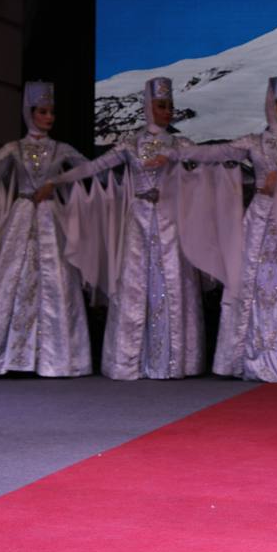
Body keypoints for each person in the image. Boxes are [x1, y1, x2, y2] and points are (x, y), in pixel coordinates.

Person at [40, 77, 205, 380]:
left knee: (172, 281)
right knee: (135, 284)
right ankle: (130, 359)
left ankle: (173, 359)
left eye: (170, 105)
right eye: (161, 105)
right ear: (148, 107)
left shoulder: (180, 144)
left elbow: (205, 165)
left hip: (170, 219)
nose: (167, 111)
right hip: (139, 218)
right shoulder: (132, 143)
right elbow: (95, 167)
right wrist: (58, 180)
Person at [0, 81, 92, 377]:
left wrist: (57, 182)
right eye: (43, 112)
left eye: (51, 112)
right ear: (30, 113)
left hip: (50, 217)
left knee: (55, 282)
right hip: (22, 215)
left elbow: (89, 168)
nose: (49, 117)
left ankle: (54, 358)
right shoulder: (14, 149)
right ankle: (9, 357)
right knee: (13, 280)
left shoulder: (61, 149)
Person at [177, 76, 277, 382]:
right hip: (261, 220)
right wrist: (180, 152)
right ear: (273, 106)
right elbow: (215, 153)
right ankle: (249, 356)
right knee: (253, 281)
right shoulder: (254, 142)